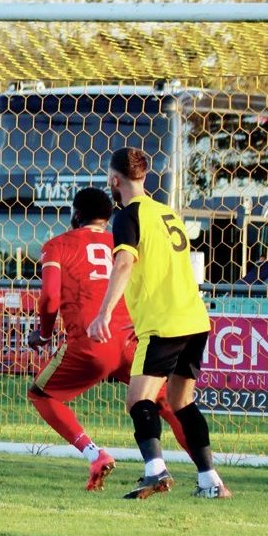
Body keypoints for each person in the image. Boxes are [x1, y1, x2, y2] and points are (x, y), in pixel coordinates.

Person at [26, 187, 190, 490]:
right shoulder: (124, 243)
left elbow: (49, 297)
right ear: (109, 216)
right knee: (165, 400)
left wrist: (44, 333)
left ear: (75, 214)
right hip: (132, 340)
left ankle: (95, 454)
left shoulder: (57, 245)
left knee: (41, 394)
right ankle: (208, 472)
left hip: (91, 343)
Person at [88, 148, 229, 499]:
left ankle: (155, 471)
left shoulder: (127, 216)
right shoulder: (168, 213)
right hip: (194, 320)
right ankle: (210, 481)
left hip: (164, 325)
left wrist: (104, 312)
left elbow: (124, 264)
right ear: (145, 176)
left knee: (138, 401)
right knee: (182, 402)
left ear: (114, 179)